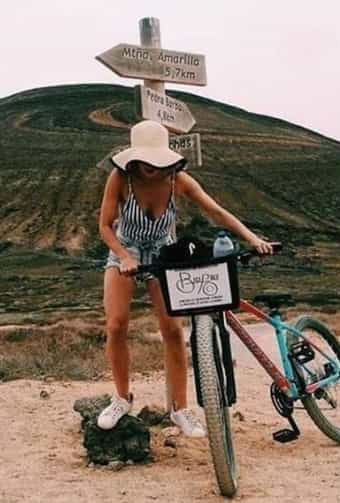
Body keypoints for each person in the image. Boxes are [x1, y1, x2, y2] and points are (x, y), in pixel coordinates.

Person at [97, 120, 274, 437]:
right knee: (116, 324)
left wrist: (252, 238)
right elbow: (105, 226)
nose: (152, 168)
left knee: (173, 330)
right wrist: (124, 257)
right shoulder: (120, 179)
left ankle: (179, 409)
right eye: (146, 161)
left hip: (163, 253)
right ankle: (122, 398)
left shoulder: (178, 180)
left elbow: (216, 211)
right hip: (125, 252)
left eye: (157, 161)